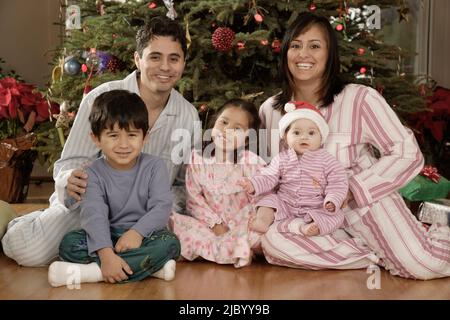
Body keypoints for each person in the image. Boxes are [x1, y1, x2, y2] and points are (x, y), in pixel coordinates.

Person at [258, 12, 450, 279]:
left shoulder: (359, 99)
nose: (304, 54)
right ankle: (374, 255)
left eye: (315, 46)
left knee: (424, 266)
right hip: (312, 213)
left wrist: (353, 190)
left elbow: (406, 153)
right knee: (274, 243)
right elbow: (273, 171)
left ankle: (431, 234)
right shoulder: (270, 109)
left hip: (365, 203)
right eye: (296, 45)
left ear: (330, 54)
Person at [2, 16, 200, 267]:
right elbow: (69, 163)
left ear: (183, 62)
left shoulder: (188, 116)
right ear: (138, 59)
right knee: (29, 252)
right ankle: (17, 220)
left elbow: (183, 184)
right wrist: (69, 180)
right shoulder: (100, 98)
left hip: (147, 216)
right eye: (154, 57)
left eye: (174, 58)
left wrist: (157, 215)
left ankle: (106, 260)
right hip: (89, 207)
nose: (165, 67)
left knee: (173, 247)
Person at [48, 90, 179, 287]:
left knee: (170, 243)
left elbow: (161, 207)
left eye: (132, 135)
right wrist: (106, 253)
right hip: (107, 235)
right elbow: (94, 215)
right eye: (113, 135)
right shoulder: (92, 172)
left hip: (146, 236)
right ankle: (149, 267)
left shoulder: (155, 166)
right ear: (96, 138)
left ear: (145, 137)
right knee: (69, 244)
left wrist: (136, 233)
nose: (123, 144)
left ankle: (94, 273)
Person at [170, 99, 266, 267]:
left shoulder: (251, 162)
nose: (227, 130)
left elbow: (261, 199)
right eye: (224, 122)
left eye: (237, 129)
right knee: (175, 224)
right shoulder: (197, 157)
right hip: (209, 225)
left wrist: (239, 226)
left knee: (260, 236)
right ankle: (229, 251)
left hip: (243, 224)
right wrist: (216, 225)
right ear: (214, 123)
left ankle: (225, 249)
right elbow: (194, 200)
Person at [239, 101, 348, 237]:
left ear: (321, 138)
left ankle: (314, 227)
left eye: (311, 133)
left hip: (316, 205)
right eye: (296, 132)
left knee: (336, 216)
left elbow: (338, 182)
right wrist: (253, 184)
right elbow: (268, 176)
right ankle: (262, 221)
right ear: (285, 137)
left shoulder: (327, 160)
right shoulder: (282, 158)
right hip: (286, 202)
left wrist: (332, 199)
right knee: (268, 202)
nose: (304, 137)